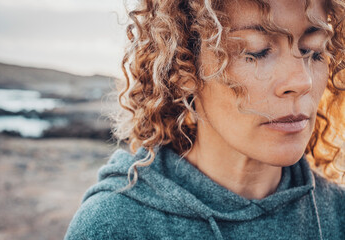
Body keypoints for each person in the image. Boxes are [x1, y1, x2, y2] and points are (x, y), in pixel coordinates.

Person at [65, 0, 345, 239]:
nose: (302, 80)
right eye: (256, 52)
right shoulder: (114, 227)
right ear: (184, 70)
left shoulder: (338, 215)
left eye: (314, 50)